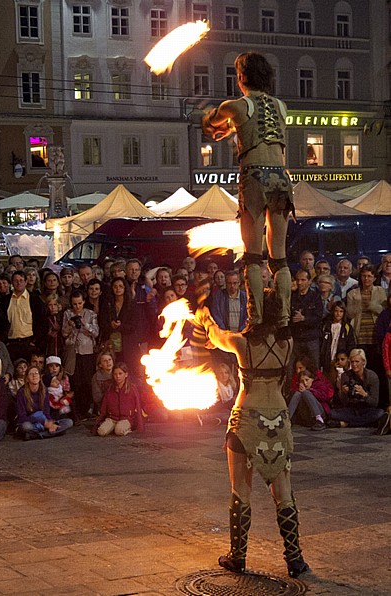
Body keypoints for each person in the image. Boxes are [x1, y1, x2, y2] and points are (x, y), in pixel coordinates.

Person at [198, 289, 309, 578]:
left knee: (241, 491)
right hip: (279, 419)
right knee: (284, 493)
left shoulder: (241, 343)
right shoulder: (288, 342)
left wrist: (204, 317)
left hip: (247, 420)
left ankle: (238, 557)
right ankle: (295, 560)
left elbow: (216, 335)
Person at [202, 52, 292, 337]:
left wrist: (221, 127)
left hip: (254, 176)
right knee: (279, 257)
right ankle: (285, 318)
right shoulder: (281, 106)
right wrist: (232, 129)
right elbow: (261, 130)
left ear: (241, 77)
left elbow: (209, 123)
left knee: (253, 256)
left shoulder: (235, 106)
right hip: (280, 177)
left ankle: (256, 318)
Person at [62, 290, 99, 418]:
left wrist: (85, 324)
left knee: (87, 381)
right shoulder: (67, 314)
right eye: (74, 304)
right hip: (73, 352)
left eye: (79, 303)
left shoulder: (91, 314)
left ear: (83, 302)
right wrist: (69, 325)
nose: (77, 306)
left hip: (87, 351)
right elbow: (64, 333)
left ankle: (87, 409)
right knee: (75, 381)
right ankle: (76, 411)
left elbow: (96, 332)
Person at [328, 349, 385, 430]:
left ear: (363, 362)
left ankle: (346, 423)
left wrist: (364, 394)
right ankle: (368, 423)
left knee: (380, 413)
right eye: (352, 362)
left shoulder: (372, 376)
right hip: (351, 409)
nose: (354, 364)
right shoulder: (345, 376)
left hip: (366, 409)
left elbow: (374, 403)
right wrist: (343, 393)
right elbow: (344, 402)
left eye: (357, 361)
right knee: (332, 413)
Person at [15, 367, 73, 440]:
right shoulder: (21, 392)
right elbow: (22, 416)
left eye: (36, 373)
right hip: (30, 422)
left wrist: (50, 423)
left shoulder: (44, 390)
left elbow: (46, 412)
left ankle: (36, 435)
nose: (34, 375)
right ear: (27, 378)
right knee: (26, 426)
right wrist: (43, 422)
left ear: (40, 377)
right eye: (31, 374)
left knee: (68, 422)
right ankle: (50, 433)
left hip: (44, 421)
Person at [92, 362, 144, 436]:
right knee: (101, 431)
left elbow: (138, 407)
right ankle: (115, 427)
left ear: (126, 374)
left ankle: (126, 428)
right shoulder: (110, 389)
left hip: (127, 418)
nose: (117, 376)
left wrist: (140, 426)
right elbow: (104, 409)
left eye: (120, 374)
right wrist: (96, 425)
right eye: (115, 374)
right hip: (112, 418)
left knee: (119, 431)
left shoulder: (132, 389)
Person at [287, 364, 332, 431]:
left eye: (307, 380)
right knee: (298, 393)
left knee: (305, 393)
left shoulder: (319, 383)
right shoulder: (300, 387)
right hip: (307, 415)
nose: (305, 383)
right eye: (302, 381)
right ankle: (287, 419)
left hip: (320, 411)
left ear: (312, 379)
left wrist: (310, 390)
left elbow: (324, 397)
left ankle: (319, 420)